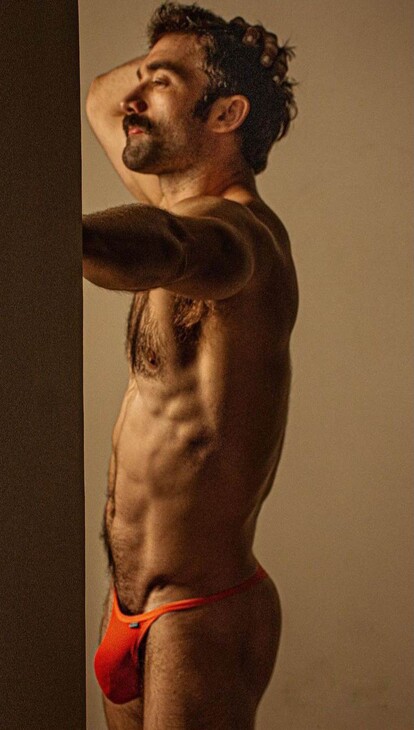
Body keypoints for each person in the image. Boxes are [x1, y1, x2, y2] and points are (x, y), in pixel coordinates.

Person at [83, 3, 298, 728]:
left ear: (227, 114)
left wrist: (44, 233)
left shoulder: (243, 236)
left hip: (196, 615)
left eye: (162, 84)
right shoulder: (176, 197)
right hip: (127, 609)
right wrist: (187, 60)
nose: (134, 100)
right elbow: (100, 97)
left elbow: (173, 247)